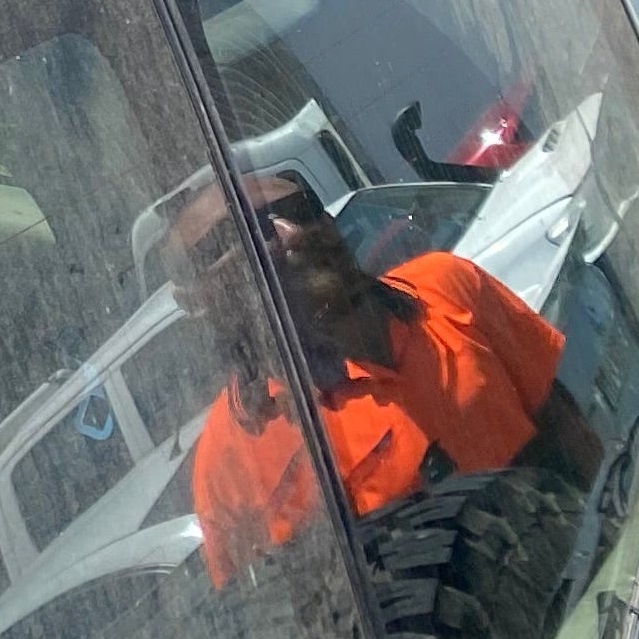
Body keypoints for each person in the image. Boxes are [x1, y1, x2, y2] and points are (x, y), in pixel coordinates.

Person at [165, 169, 602, 587]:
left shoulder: (446, 286)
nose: (294, 233)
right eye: (249, 235)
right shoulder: (227, 464)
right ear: (204, 298)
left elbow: (569, 436)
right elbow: (280, 635)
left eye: (300, 208)